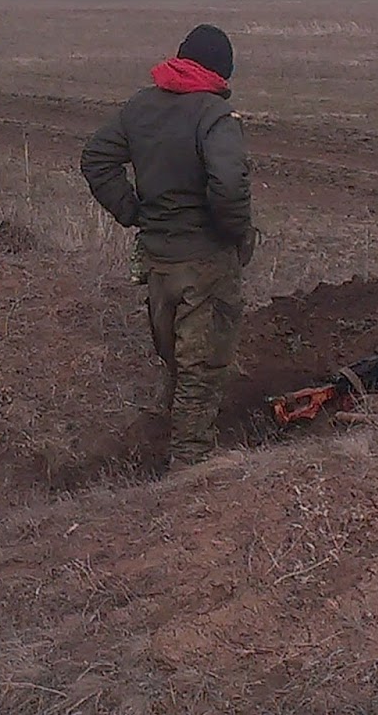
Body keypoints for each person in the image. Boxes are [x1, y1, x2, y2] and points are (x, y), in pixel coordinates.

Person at [80, 24, 257, 469]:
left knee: (177, 359)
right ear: (221, 70)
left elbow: (96, 159)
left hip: (157, 260)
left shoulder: (141, 107)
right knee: (203, 368)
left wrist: (134, 212)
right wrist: (236, 234)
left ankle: (170, 440)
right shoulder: (215, 116)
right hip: (205, 263)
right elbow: (229, 184)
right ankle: (191, 468)